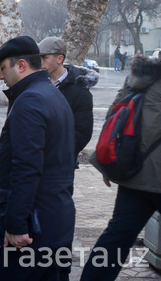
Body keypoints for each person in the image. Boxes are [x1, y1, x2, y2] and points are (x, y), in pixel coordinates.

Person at [0, 36, 75, 280]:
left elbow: (26, 169)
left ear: (22, 65)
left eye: (3, 69)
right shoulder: (50, 93)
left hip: (34, 228)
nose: (1, 77)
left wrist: (16, 225)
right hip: (55, 218)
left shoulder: (29, 101)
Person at [81, 56, 161, 281]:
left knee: (116, 238)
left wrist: (111, 165)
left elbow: (114, 116)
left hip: (134, 175)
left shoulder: (138, 77)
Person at [38, 36, 99, 166]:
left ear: (60, 59)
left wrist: (59, 154)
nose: (40, 62)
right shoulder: (37, 84)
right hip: (35, 160)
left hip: (61, 163)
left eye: (44, 58)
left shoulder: (79, 90)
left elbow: (82, 132)